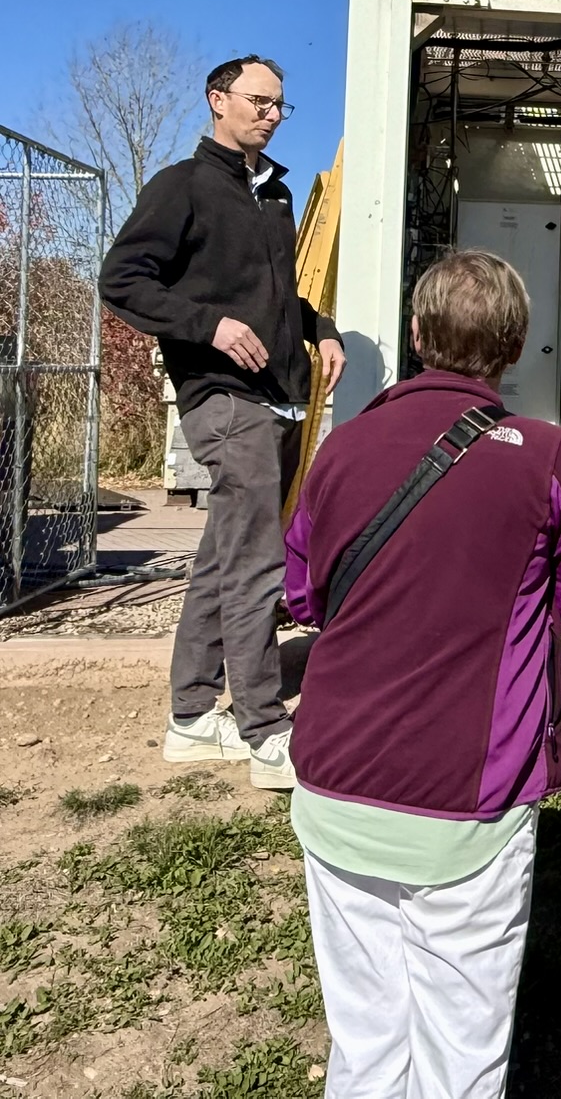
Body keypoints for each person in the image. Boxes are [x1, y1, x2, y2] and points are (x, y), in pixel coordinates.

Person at [283, 249, 561, 1099]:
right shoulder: (546, 456)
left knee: (364, 1037)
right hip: (471, 804)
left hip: (336, 784)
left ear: (417, 334)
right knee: (463, 1049)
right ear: (513, 346)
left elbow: (302, 594)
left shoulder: (341, 450)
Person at [100, 54, 343, 790]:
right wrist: (207, 326)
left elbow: (275, 297)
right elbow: (122, 281)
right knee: (254, 564)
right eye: (259, 101)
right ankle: (266, 732)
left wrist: (320, 326)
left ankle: (191, 717)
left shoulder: (272, 195)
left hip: (275, 398)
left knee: (224, 558)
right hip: (222, 398)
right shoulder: (183, 187)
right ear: (218, 100)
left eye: (280, 106)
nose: (271, 114)